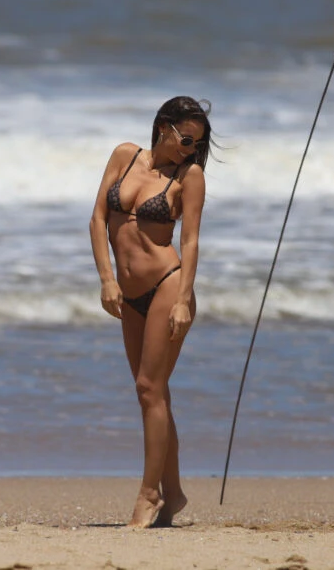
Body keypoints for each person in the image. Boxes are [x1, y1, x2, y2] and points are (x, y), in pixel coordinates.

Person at [89, 96, 213, 528]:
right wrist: (107, 278)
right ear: (163, 126)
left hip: (167, 287)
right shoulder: (125, 156)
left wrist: (183, 300)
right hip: (128, 293)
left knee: (148, 389)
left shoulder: (189, 176)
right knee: (153, 395)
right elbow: (98, 217)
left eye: (196, 144)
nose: (189, 149)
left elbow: (192, 241)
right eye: (185, 139)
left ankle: (150, 494)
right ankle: (174, 493)